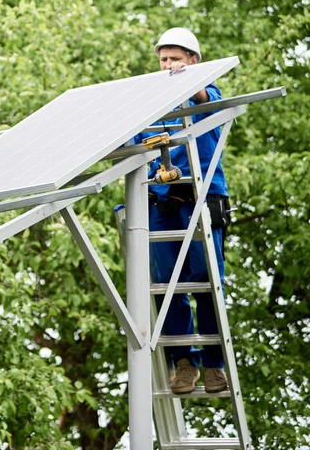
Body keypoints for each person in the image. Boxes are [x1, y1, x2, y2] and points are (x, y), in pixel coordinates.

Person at [135, 27, 231, 394]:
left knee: (205, 279)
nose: (169, 66)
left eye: (177, 59)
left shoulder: (208, 96)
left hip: (200, 198)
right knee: (166, 286)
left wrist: (189, 82)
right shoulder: (148, 106)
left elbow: (207, 96)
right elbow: (131, 146)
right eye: (164, 60)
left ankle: (213, 364)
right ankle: (184, 363)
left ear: (194, 61)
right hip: (160, 201)